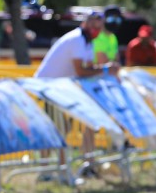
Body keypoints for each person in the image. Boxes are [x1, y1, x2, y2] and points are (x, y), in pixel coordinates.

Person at [35, 11, 117, 178]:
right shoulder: (78, 40)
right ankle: (55, 171)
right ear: (85, 24)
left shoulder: (87, 42)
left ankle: (55, 170)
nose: (96, 30)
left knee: (60, 128)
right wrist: (107, 69)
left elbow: (87, 69)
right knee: (58, 129)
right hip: (49, 87)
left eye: (99, 27)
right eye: (93, 25)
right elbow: (82, 70)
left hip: (59, 88)